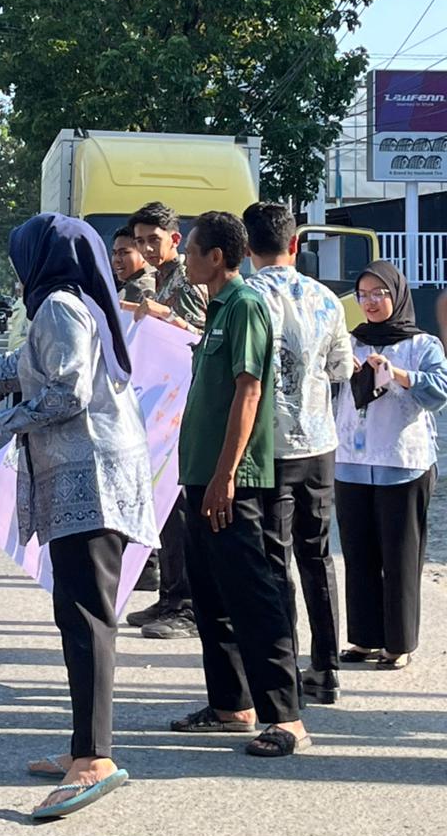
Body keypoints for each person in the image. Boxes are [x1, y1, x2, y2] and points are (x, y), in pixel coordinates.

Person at [0, 213, 157, 821]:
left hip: (90, 479)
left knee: (88, 618)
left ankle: (95, 759)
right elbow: (28, 363)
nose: (19, 268)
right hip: (91, 478)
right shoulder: (73, 302)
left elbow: (67, 392)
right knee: (76, 613)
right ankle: (83, 748)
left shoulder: (58, 306)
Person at [170, 211, 309, 757]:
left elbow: (249, 392)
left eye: (191, 250)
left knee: (253, 596)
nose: (185, 258)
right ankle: (232, 704)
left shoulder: (245, 305)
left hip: (232, 482)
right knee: (211, 597)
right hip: (201, 478)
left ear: (217, 256)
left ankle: (287, 718)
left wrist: (226, 475)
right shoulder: (216, 309)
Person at [243, 202, 353, 705]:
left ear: (248, 247)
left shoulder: (247, 297)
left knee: (274, 560)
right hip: (319, 442)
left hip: (269, 444)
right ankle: (326, 668)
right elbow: (341, 369)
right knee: (318, 555)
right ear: (294, 243)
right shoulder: (327, 299)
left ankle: (283, 672)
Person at [334, 262, 445, 669]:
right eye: (363, 295)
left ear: (396, 296)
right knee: (358, 555)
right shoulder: (349, 341)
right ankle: (364, 639)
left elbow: (440, 391)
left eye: (379, 294)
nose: (370, 302)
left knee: (400, 557)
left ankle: (399, 644)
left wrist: (395, 373)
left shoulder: (422, 344)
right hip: (350, 461)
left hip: (403, 463)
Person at [125, 201, 207, 639]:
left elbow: (202, 338)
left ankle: (188, 606)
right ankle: (170, 596)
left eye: (153, 240)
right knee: (166, 511)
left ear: (175, 238)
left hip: (187, 409)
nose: (146, 248)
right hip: (165, 408)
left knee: (181, 511)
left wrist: (165, 316)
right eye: (140, 241)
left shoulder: (188, 280)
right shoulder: (162, 278)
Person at [111, 228, 156, 306]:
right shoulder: (158, 277)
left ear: (144, 253)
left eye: (124, 253)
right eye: (114, 253)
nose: (117, 260)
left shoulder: (137, 289)